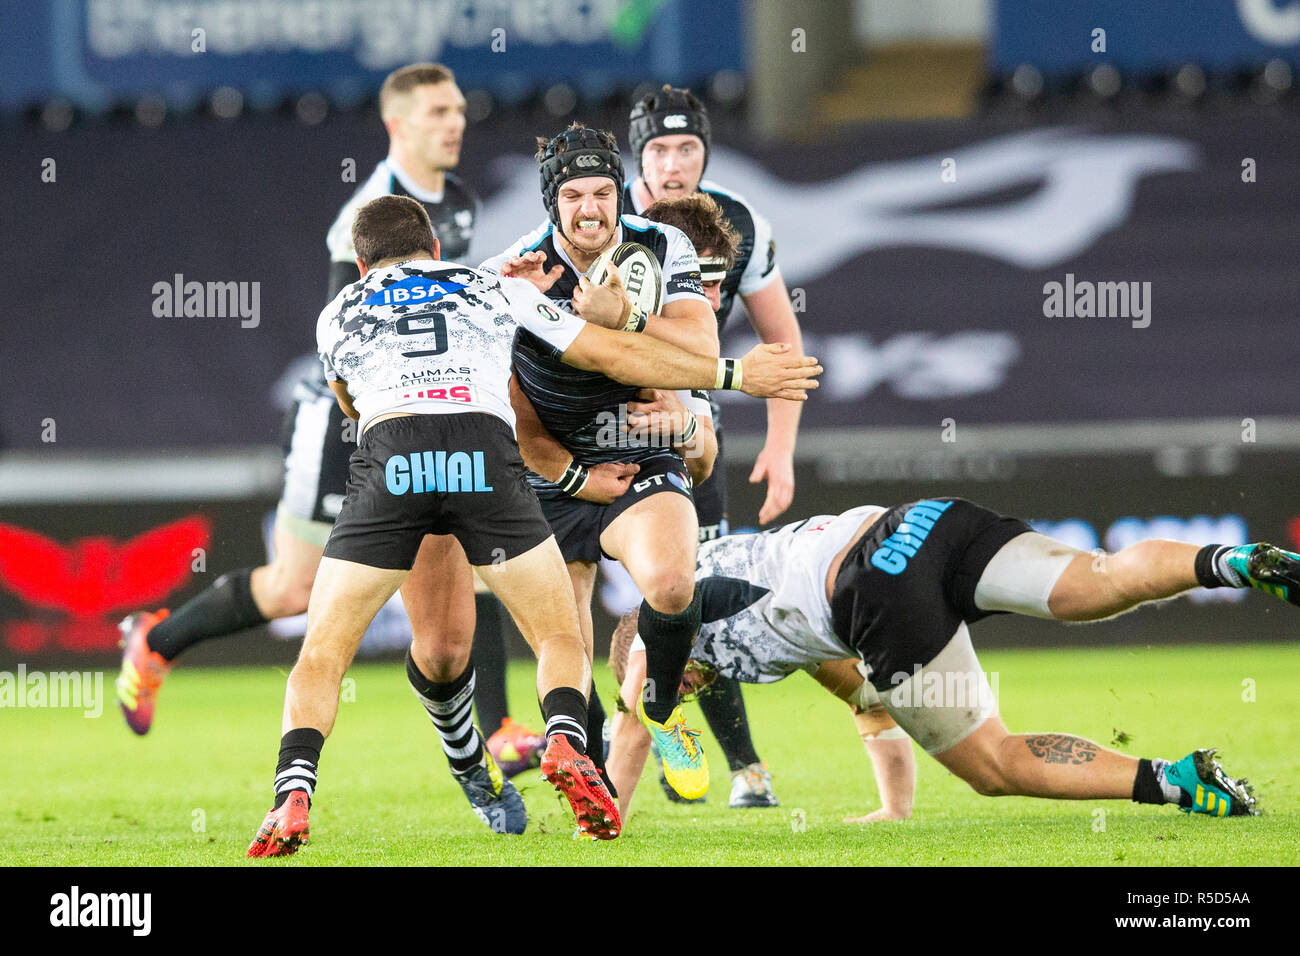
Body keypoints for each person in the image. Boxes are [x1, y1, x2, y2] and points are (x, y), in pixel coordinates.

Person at [246, 195, 821, 855]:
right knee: (558, 636)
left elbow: (351, 402)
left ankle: (293, 789)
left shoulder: (338, 311)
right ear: (436, 250)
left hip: (393, 461)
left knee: (322, 652)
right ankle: (567, 745)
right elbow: (611, 354)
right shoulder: (495, 285)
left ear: (360, 262)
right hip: (484, 459)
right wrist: (735, 374)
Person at [115, 62, 545, 783]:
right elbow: (351, 328)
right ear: (396, 124)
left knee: (470, 553)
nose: (455, 123)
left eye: (460, 111)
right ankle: (156, 639)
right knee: (292, 589)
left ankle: (498, 725)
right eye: (438, 111)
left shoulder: (459, 201)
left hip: (422, 412)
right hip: (347, 415)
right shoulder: (371, 209)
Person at [604, 497, 1291, 821]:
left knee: (993, 766)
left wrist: (604, 824)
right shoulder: (757, 616)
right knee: (1100, 583)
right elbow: (866, 701)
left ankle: (1178, 781)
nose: (691, 687)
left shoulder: (660, 610)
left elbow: (638, 702)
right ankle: (1231, 563)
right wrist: (893, 810)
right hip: (920, 523)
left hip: (870, 587)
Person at [481, 123, 748, 802]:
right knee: (561, 641)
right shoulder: (510, 275)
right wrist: (572, 477)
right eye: (575, 195)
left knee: (670, 586)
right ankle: (592, 770)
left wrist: (625, 316)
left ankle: (657, 708)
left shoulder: (662, 242)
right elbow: (509, 409)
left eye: (603, 190)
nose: (593, 207)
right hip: (553, 467)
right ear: (552, 200)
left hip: (639, 447)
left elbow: (699, 342)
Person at [617, 85, 809, 807]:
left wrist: (781, 447)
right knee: (571, 597)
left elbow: (782, 341)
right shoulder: (602, 216)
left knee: (692, 599)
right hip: (598, 434)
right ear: (638, 155)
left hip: (693, 436)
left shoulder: (739, 224)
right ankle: (581, 742)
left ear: (706, 151)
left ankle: (744, 768)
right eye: (659, 150)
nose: (673, 164)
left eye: (687, 148)